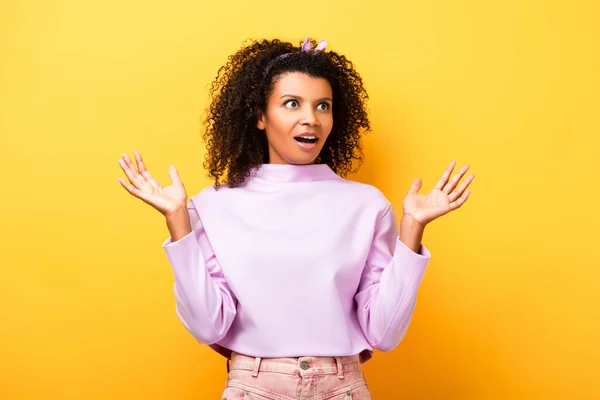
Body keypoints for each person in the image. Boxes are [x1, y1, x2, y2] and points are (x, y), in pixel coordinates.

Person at [117, 37, 474, 399]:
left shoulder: (367, 205)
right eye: (292, 103)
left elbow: (384, 334)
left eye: (323, 106)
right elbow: (209, 326)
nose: (311, 118)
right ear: (260, 116)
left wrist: (412, 228)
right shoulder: (213, 206)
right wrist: (179, 221)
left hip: (343, 388)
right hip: (253, 387)